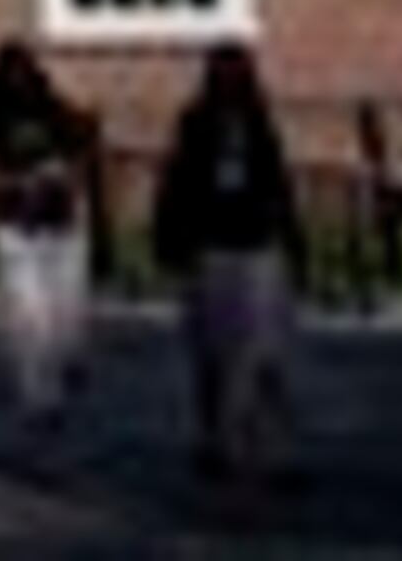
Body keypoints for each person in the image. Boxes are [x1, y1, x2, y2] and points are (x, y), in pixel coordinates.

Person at [150, 39, 305, 476]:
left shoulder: (261, 124)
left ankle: (274, 450)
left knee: (270, 355)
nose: (231, 83)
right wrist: (170, 243)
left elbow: (280, 188)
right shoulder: (195, 123)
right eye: (223, 74)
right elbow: (176, 185)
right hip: (211, 245)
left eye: (238, 73)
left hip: (260, 245)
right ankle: (213, 440)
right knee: (214, 353)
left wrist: (294, 244)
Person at [0, 32, 97, 433]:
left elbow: (81, 157)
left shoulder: (57, 111)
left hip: (61, 222)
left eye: (25, 72)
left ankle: (65, 364)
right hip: (14, 227)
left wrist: (62, 176)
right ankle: (38, 397)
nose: (18, 81)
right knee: (27, 316)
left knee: (65, 312)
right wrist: (12, 185)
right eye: (11, 74)